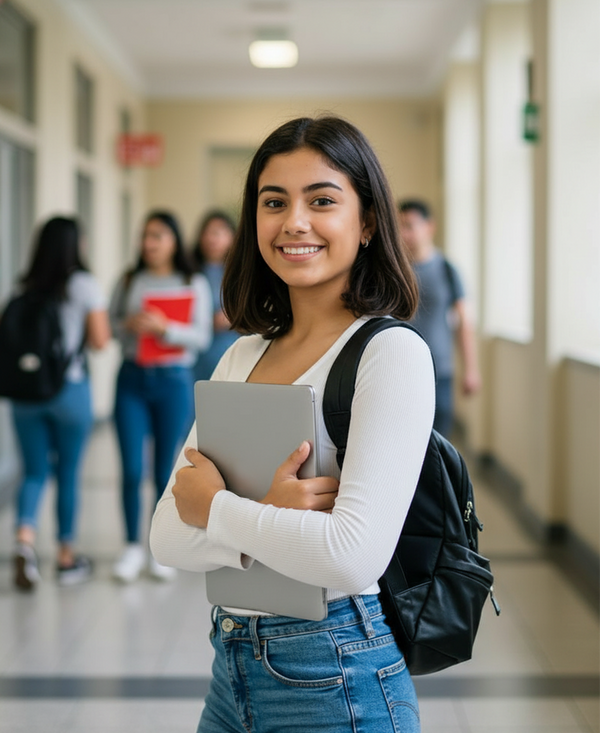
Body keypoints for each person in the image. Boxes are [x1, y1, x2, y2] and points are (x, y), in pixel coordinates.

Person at [150, 116, 435, 732]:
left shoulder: (389, 353)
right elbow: (166, 536)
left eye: (322, 200)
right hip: (230, 671)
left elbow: (352, 558)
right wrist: (274, 512)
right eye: (273, 202)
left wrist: (223, 511)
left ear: (366, 224)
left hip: (335, 675)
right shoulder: (242, 354)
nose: (294, 222)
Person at [7, 216, 111, 590]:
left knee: (33, 472)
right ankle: (67, 556)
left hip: (26, 396)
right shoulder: (84, 285)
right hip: (69, 391)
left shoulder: (25, 286)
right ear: (75, 245)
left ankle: (24, 542)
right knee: (67, 473)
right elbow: (100, 341)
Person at [109, 210, 213, 583]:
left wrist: (166, 328)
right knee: (132, 468)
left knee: (164, 471)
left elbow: (200, 338)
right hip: (132, 379)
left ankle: (158, 548)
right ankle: (130, 548)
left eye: (157, 236)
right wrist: (129, 327)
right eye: (145, 236)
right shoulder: (129, 280)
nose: (149, 243)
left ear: (174, 241)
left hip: (173, 381)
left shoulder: (193, 281)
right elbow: (111, 327)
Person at [397, 199, 481, 437]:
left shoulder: (447, 270)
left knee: (438, 439)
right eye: (399, 226)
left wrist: (471, 369)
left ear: (429, 227)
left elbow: (464, 322)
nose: (404, 233)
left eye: (410, 225)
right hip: (402, 368)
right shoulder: (395, 271)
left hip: (439, 370)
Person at [190, 210, 239, 381]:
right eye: (207, 232)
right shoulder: (189, 273)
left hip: (231, 350)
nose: (212, 239)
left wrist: (234, 317)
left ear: (232, 236)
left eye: (218, 233)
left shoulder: (242, 273)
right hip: (194, 356)